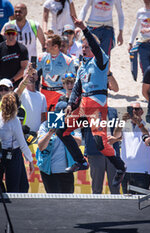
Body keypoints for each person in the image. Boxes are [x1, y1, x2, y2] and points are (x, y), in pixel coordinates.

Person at [56, 18, 126, 187]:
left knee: (100, 144)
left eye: (88, 46)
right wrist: (71, 105)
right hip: (82, 108)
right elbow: (77, 90)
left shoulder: (101, 61)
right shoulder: (82, 67)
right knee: (62, 131)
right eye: (84, 47)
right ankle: (81, 161)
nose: (85, 49)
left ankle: (120, 167)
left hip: (96, 108)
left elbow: (95, 46)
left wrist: (84, 28)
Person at [37, 101, 80, 193]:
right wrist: (50, 132)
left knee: (68, 202)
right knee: (53, 202)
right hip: (49, 171)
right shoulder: (45, 125)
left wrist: (65, 133)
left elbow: (79, 142)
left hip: (66, 171)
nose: (63, 117)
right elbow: (41, 146)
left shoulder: (72, 125)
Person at [109, 102, 150, 194]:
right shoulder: (125, 126)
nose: (133, 111)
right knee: (127, 202)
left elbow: (147, 137)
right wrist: (122, 121)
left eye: (136, 109)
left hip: (142, 171)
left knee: (142, 200)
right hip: (126, 171)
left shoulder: (149, 126)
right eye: (130, 109)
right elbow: (116, 135)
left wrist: (139, 123)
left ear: (142, 111)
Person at [0, 93, 34, 193]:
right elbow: (22, 143)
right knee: (16, 188)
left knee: (21, 185)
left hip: (2, 152)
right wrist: (30, 160)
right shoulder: (14, 121)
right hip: (13, 154)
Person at [37, 34, 75, 111]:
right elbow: (35, 76)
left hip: (59, 95)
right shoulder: (41, 58)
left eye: (47, 45)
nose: (45, 46)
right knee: (43, 120)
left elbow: (73, 81)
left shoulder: (68, 61)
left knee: (56, 121)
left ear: (55, 47)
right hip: (45, 94)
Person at [0, 23, 29, 88]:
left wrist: (12, 80)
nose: (11, 36)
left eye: (13, 33)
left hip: (16, 84)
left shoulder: (22, 49)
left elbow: (23, 68)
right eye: (8, 33)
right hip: (0, 84)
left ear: (16, 34)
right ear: (5, 34)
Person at [15, 67, 47, 132]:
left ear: (37, 77)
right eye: (28, 73)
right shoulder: (21, 92)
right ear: (24, 76)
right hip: (21, 133)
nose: (31, 75)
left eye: (33, 74)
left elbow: (43, 117)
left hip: (35, 134)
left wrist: (41, 131)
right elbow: (19, 90)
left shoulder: (42, 96)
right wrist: (27, 77)